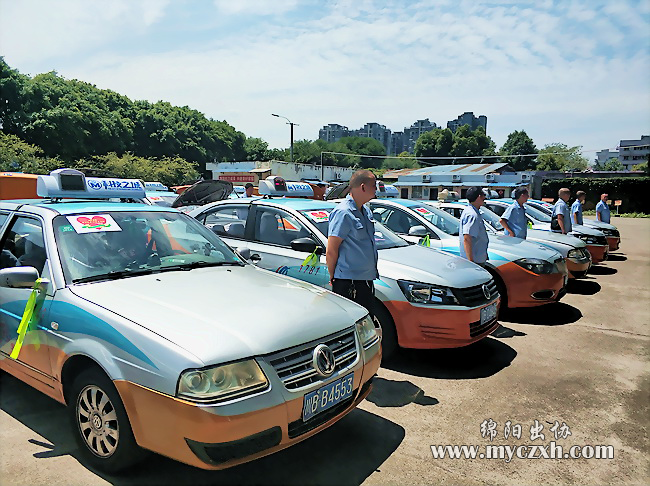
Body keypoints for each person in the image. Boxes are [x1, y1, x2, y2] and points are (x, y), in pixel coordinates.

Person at [326, 169, 378, 317]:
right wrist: (333, 276)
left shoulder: (366, 211)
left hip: (365, 280)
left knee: (366, 324)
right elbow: (332, 249)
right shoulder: (343, 212)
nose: (376, 189)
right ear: (363, 187)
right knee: (350, 323)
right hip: (349, 282)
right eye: (374, 186)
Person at [459, 186, 489, 265]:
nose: (484, 198)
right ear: (479, 196)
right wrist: (471, 262)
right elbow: (467, 239)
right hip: (475, 261)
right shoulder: (472, 215)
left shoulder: (472, 211)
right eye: (483, 195)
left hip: (477, 258)